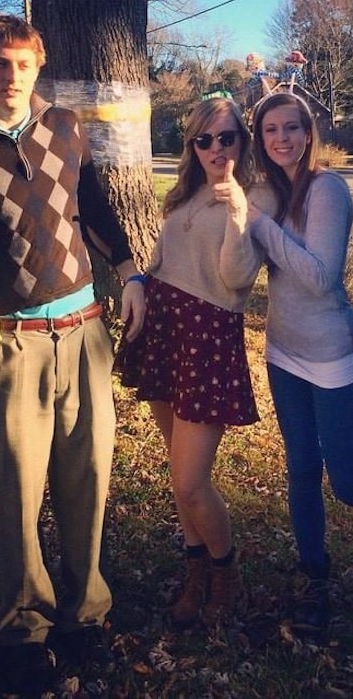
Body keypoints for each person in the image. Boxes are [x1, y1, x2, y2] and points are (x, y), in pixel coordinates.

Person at [0, 15, 145, 695]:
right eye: (0, 64)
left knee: (87, 481)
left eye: (24, 64)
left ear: (38, 68)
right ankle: (24, 630)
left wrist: (131, 274)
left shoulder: (67, 129)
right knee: (15, 493)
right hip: (8, 347)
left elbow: (94, 209)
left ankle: (85, 614)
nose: (13, 76)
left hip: (85, 332)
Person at [243, 92, 353, 640]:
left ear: (309, 133)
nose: (280, 138)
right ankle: (314, 576)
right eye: (270, 130)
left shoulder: (327, 189)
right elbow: (240, 269)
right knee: (301, 469)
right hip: (283, 354)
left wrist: (258, 224)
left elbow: (319, 276)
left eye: (291, 128)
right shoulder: (264, 192)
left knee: (348, 482)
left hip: (332, 355)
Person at [123, 97, 273, 630]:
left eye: (226, 137)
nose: (215, 148)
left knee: (190, 480)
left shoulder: (256, 195)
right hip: (167, 329)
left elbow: (236, 280)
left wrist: (236, 212)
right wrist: (137, 282)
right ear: (193, 146)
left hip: (208, 336)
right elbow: (163, 261)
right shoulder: (183, 194)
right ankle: (196, 569)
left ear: (242, 140)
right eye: (203, 140)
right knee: (175, 464)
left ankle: (225, 571)